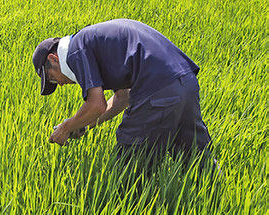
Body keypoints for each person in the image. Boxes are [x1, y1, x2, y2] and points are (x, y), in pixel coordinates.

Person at [32, 19, 212, 160]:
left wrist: (66, 126)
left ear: (54, 58)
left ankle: (131, 206)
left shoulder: (75, 51)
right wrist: (83, 124)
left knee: (131, 164)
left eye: (52, 78)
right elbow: (122, 98)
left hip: (157, 89)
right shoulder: (92, 41)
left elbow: (96, 105)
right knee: (195, 156)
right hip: (185, 81)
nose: (60, 84)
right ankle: (215, 199)